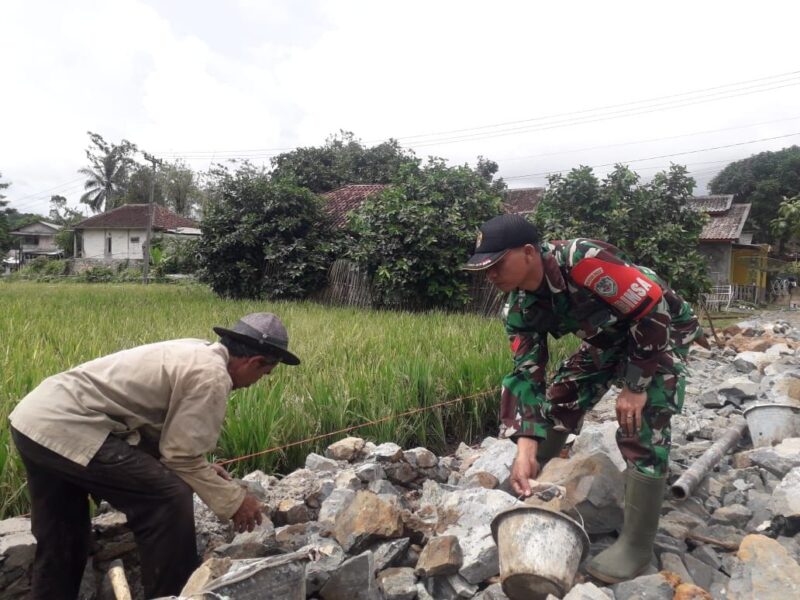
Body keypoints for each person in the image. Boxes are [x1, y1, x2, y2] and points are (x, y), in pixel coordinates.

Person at [463, 214, 705, 584]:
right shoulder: (519, 309)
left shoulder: (583, 260)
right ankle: (532, 476)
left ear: (528, 252)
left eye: (496, 264)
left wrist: (635, 387)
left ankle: (637, 544)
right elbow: (526, 374)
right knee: (563, 394)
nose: (490, 275)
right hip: (611, 337)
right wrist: (525, 447)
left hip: (661, 326)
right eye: (484, 268)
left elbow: (651, 311)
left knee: (641, 419)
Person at [9, 312, 301, 600]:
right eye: (264, 374)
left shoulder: (195, 351)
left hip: (35, 420)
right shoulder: (211, 376)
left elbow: (161, 431)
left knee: (63, 533)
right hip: (69, 426)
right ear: (254, 362)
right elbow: (180, 458)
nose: (256, 382)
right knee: (168, 497)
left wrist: (201, 468)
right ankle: (174, 595)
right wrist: (236, 501)